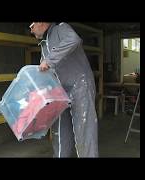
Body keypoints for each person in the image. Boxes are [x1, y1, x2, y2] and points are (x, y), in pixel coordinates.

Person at [29, 22, 98, 157]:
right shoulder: (44, 44)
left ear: (41, 23)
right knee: (60, 130)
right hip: (60, 91)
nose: (30, 30)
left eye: (31, 26)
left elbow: (74, 39)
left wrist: (49, 60)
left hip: (80, 85)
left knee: (84, 130)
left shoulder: (60, 28)